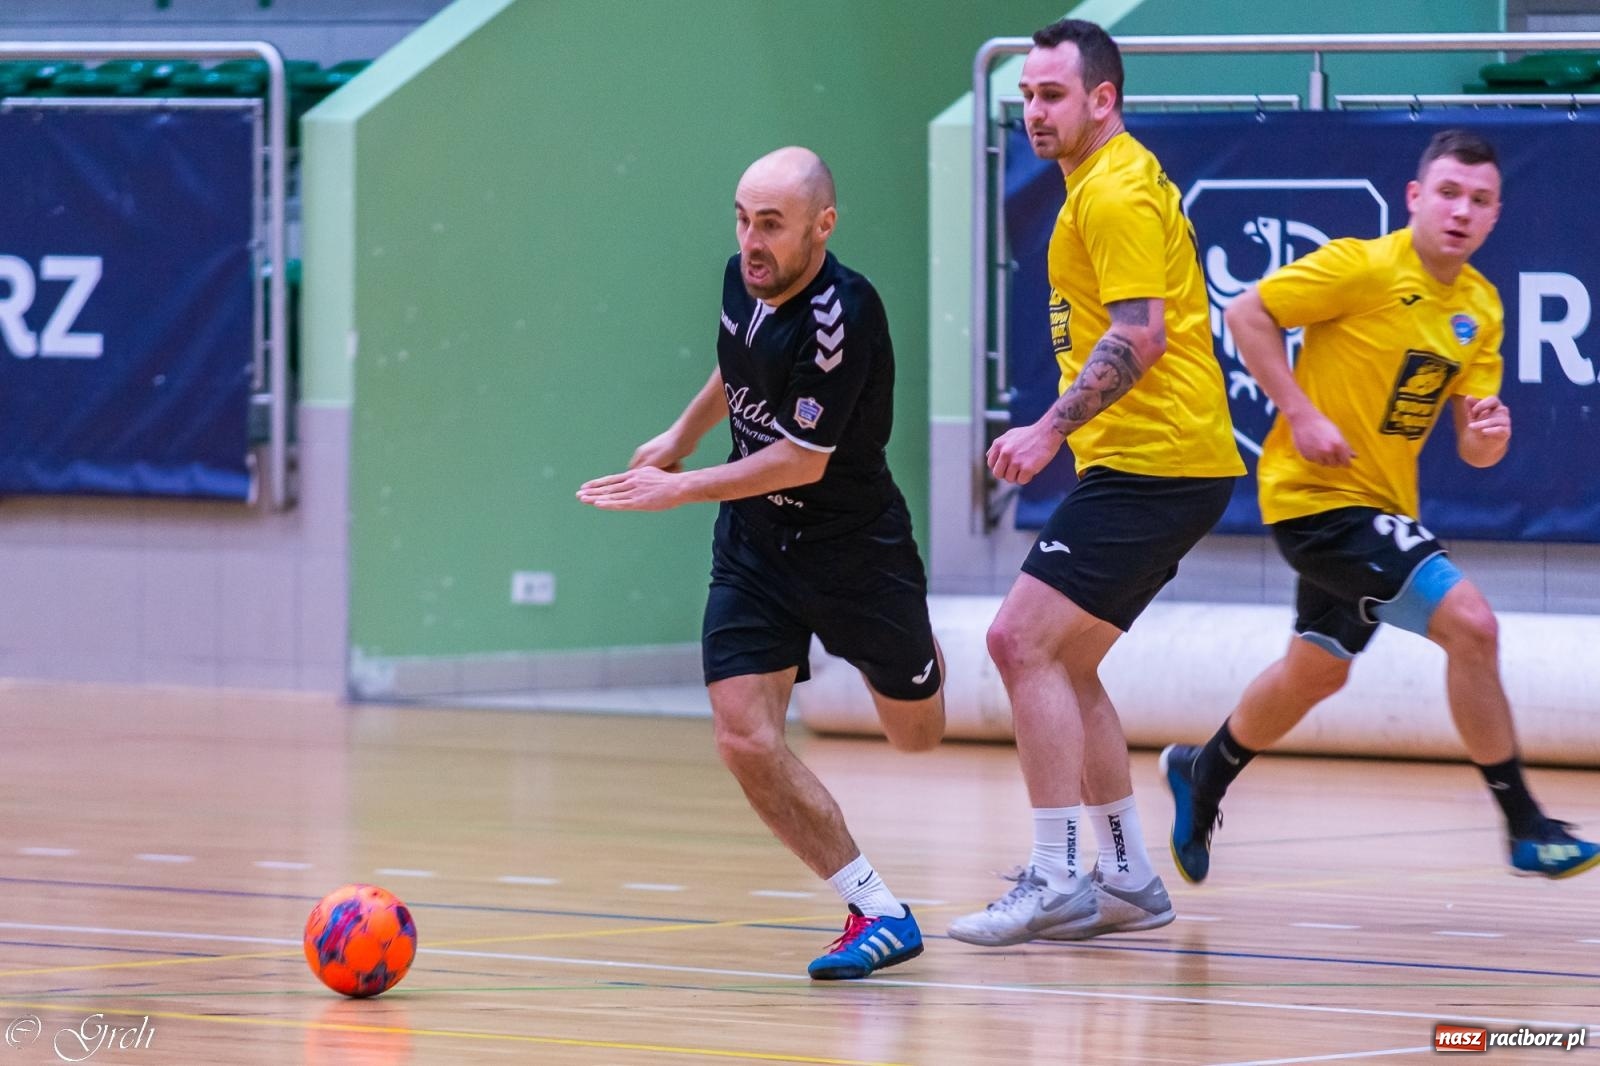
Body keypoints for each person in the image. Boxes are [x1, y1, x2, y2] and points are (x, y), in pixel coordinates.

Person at [1162, 129, 1599, 884]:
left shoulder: (1480, 309)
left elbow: (1475, 445)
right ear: (1416, 198)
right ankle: (1525, 825)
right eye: (1450, 194)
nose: (1462, 211)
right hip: (1315, 502)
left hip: (1381, 504)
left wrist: (1489, 431)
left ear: (1496, 215)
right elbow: (1246, 315)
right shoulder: (1362, 266)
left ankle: (1203, 770)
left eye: (1481, 200)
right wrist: (1300, 412)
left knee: (1315, 675)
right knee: (1474, 626)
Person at [577, 146, 946, 979]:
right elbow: (736, 360)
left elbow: (800, 459)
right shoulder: (742, 278)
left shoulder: (842, 315)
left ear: (824, 226)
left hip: (855, 549)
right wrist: (682, 434)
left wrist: (682, 487)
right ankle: (876, 908)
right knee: (744, 738)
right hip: (755, 546)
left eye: (771, 224)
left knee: (916, 734)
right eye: (742, 218)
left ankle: (916, 661)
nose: (751, 240)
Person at [947, 19, 1243, 948]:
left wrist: (1043, 428)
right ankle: (1125, 876)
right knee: (1065, 661)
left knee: (1015, 641)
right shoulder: (1108, 180)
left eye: (1051, 96)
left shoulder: (1111, 192)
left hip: (1155, 462)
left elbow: (1142, 334)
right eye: (1026, 96)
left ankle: (1056, 875)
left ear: (1101, 99)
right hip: (1166, 463)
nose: (1034, 111)